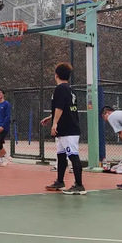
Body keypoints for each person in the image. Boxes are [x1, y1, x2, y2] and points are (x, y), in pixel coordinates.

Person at [40, 63, 85, 195]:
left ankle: (79, 185)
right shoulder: (70, 89)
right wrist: (51, 117)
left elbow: (59, 108)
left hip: (68, 129)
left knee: (73, 156)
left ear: (56, 75)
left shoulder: (60, 89)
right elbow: (65, 108)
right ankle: (60, 181)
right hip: (65, 128)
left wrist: (54, 124)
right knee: (61, 155)